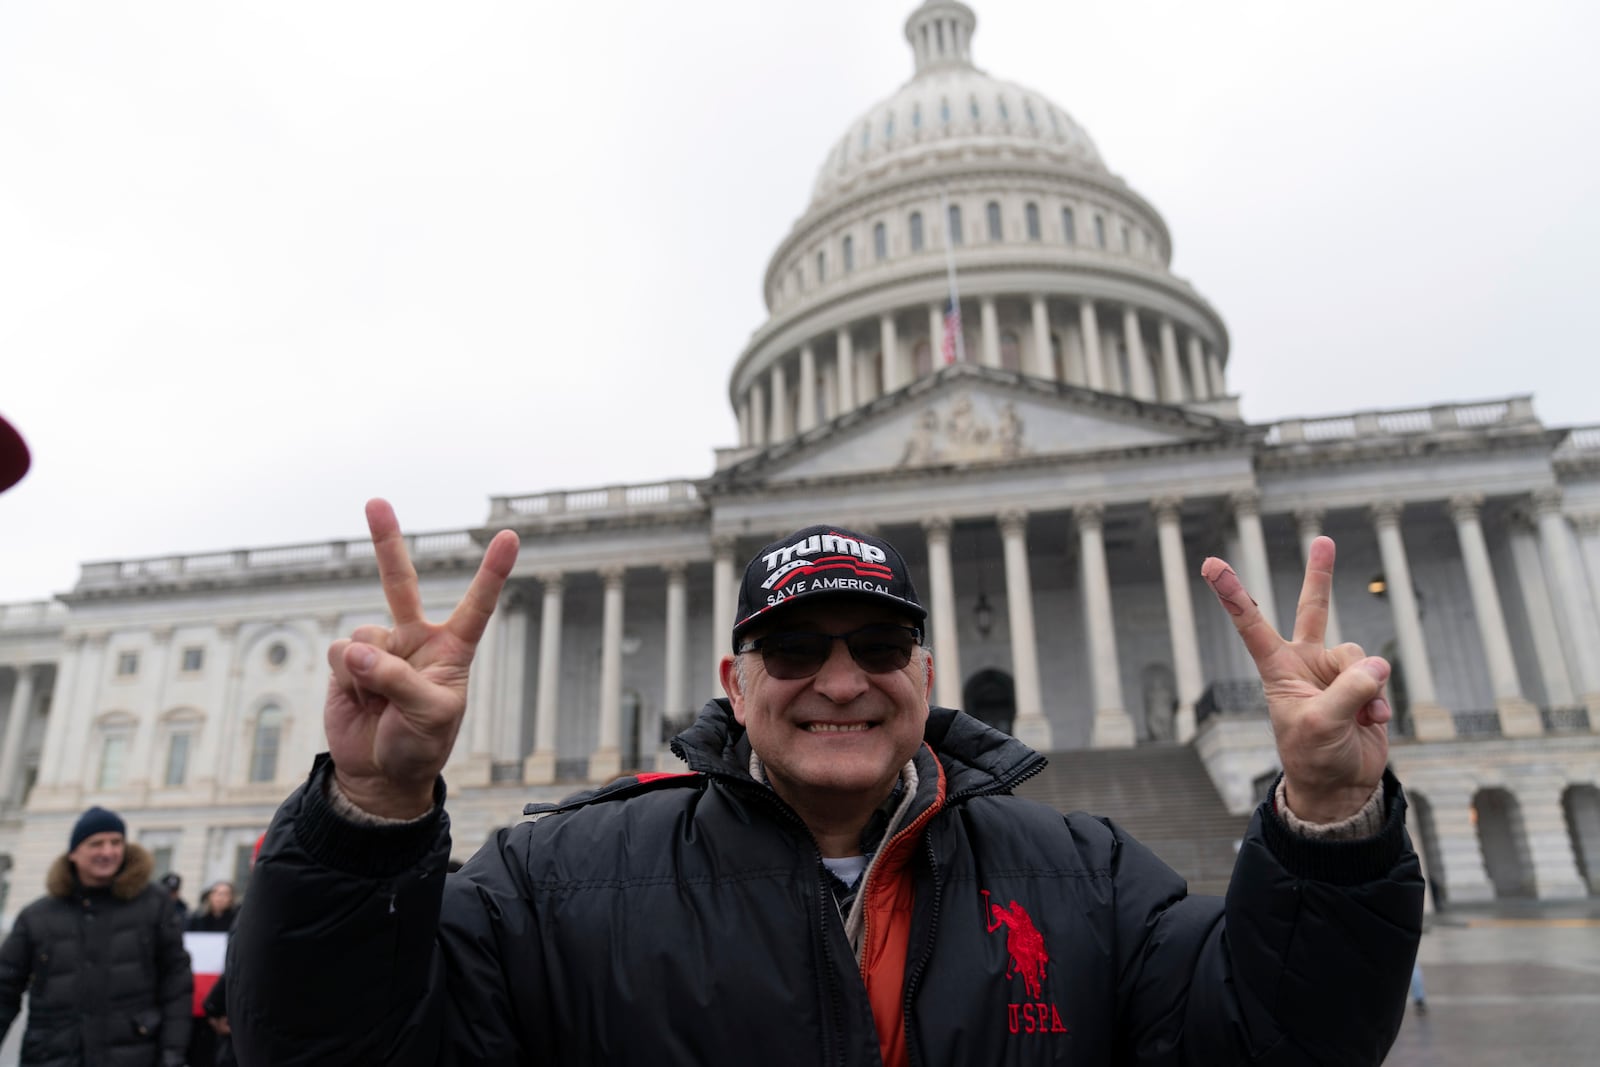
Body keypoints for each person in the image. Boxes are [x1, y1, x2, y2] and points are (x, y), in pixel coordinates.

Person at [230, 500, 1423, 1065]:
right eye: (795, 650)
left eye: (878, 647)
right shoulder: (555, 885)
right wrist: (370, 811)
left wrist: (1326, 816)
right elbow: (329, 1053)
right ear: (733, 681)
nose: (839, 681)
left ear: (927, 670)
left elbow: (1278, 1044)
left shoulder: (1092, 883)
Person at [0, 806, 193, 1065]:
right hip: (52, 1056)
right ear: (74, 853)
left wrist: (172, 1055)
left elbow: (176, 983)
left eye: (116, 842)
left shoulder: (154, 905)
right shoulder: (36, 916)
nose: (108, 852)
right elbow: (4, 988)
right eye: (96, 843)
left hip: (134, 1055)